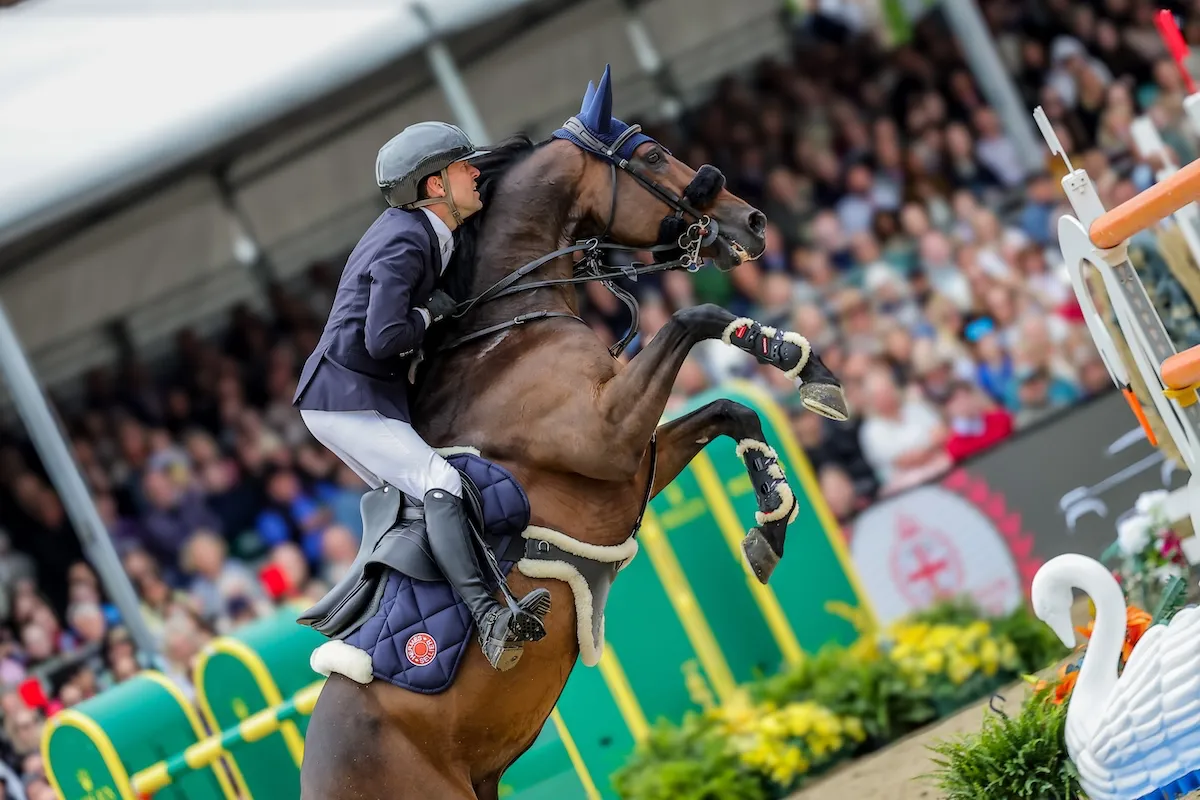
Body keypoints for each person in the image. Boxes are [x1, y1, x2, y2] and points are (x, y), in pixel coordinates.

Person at [292, 121, 551, 670]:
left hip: (348, 396)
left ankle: (383, 642)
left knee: (421, 508)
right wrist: (431, 311)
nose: (474, 173)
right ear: (435, 186)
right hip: (349, 396)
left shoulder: (429, 231)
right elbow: (383, 337)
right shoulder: (407, 238)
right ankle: (489, 619)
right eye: (463, 167)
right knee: (439, 485)